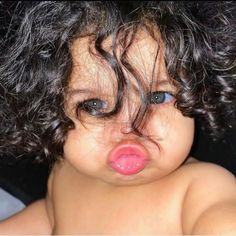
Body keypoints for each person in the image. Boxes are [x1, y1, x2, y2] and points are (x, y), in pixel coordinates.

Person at [0, 1, 236, 234]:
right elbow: (49, 219)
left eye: (157, 97)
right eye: (93, 104)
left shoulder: (199, 190)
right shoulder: (65, 174)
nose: (129, 129)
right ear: (49, 107)